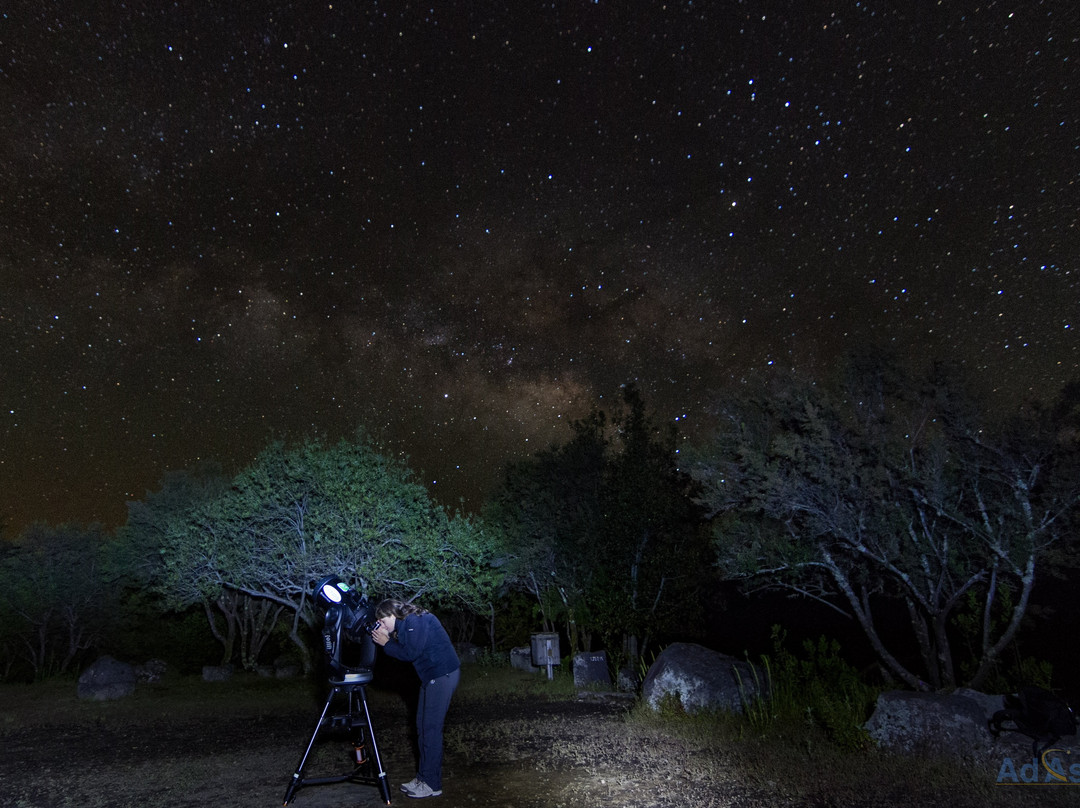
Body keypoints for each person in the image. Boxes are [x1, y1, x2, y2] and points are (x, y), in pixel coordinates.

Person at [371, 598, 460, 799]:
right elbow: (407, 645)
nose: (382, 626)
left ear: (392, 613)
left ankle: (431, 784)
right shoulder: (407, 623)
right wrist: (389, 637)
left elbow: (410, 653)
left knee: (430, 731)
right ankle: (423, 777)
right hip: (432, 678)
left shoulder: (414, 621)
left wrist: (386, 643)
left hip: (442, 675)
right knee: (421, 727)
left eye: (383, 621)